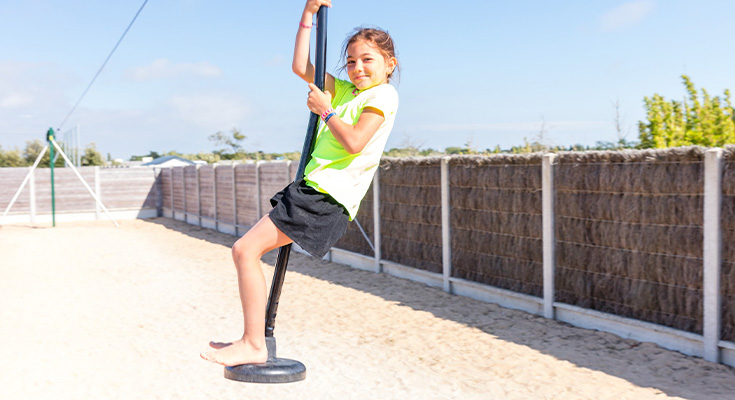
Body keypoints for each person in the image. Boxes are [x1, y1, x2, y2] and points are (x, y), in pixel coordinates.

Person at [200, 0, 399, 367]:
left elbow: (355, 141)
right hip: (313, 189)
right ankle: (252, 340)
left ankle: (252, 343)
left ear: (390, 64)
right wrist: (307, 15)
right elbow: (300, 67)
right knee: (246, 250)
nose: (358, 68)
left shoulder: (383, 96)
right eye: (352, 61)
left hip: (326, 195)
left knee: (245, 250)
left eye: (368, 59)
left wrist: (325, 110)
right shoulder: (345, 92)